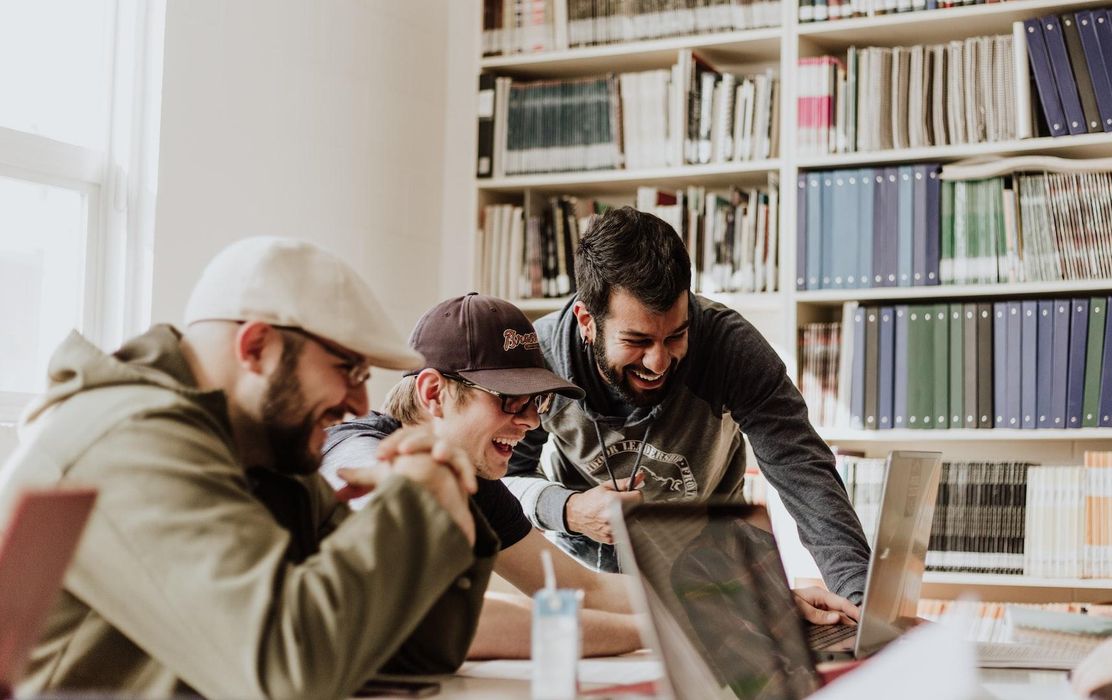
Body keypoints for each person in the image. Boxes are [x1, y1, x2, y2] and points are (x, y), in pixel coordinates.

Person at [0, 238, 496, 698]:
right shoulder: (131, 441)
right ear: (256, 347)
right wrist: (413, 505)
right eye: (348, 369)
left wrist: (446, 505)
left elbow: (407, 654)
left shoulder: (264, 453)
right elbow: (285, 674)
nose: (360, 402)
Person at [504, 206, 871, 613]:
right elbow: (502, 481)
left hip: (712, 579)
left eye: (676, 335)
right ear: (587, 320)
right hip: (589, 586)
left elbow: (803, 470)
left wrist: (861, 605)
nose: (658, 362)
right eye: (637, 341)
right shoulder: (540, 359)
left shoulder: (729, 347)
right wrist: (568, 509)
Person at [321, 292, 643, 658]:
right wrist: (655, 634)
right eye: (511, 399)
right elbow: (439, 617)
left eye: (536, 402)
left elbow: (580, 589)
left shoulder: (473, 480)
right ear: (433, 393)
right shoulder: (355, 453)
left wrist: (698, 604)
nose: (532, 422)